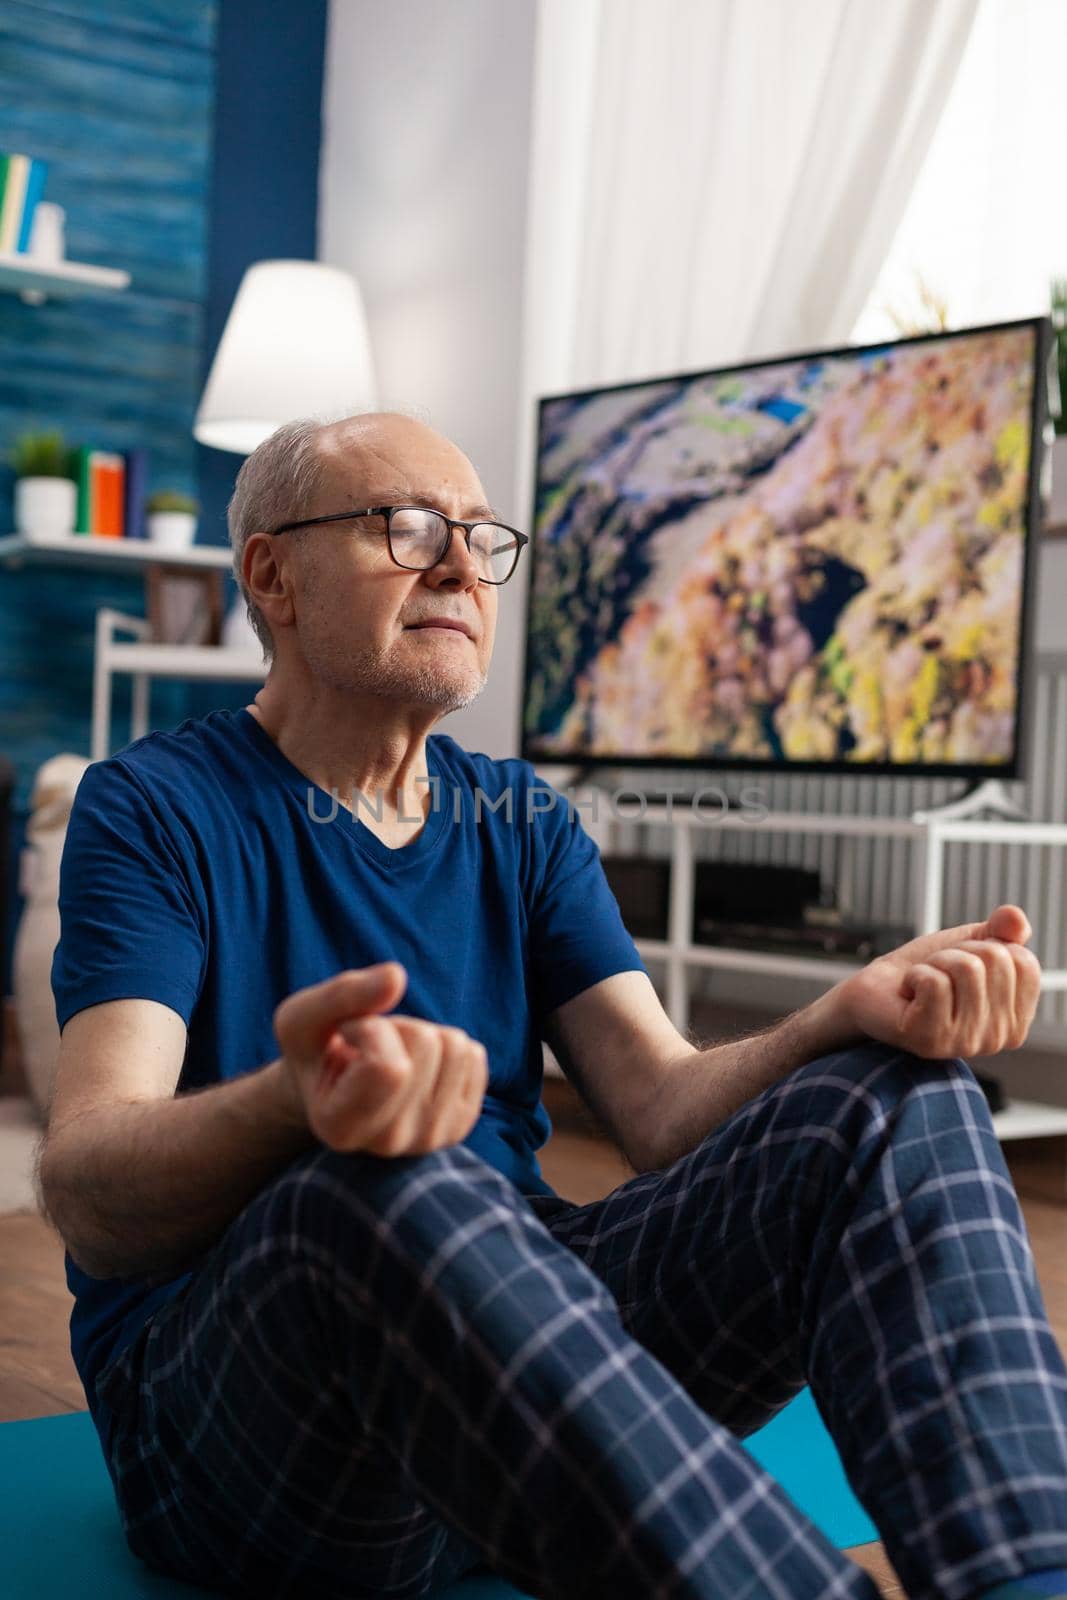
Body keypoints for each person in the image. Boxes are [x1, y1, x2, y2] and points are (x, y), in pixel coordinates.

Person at [38, 412, 1067, 1600]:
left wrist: (845, 1010)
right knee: (380, 1180)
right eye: (406, 527)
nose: (459, 566)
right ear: (271, 573)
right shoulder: (153, 808)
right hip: (260, 1432)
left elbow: (661, 1105)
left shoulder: (520, 817)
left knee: (892, 1094)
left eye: (480, 537)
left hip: (524, 1404)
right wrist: (290, 1104)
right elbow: (88, 1191)